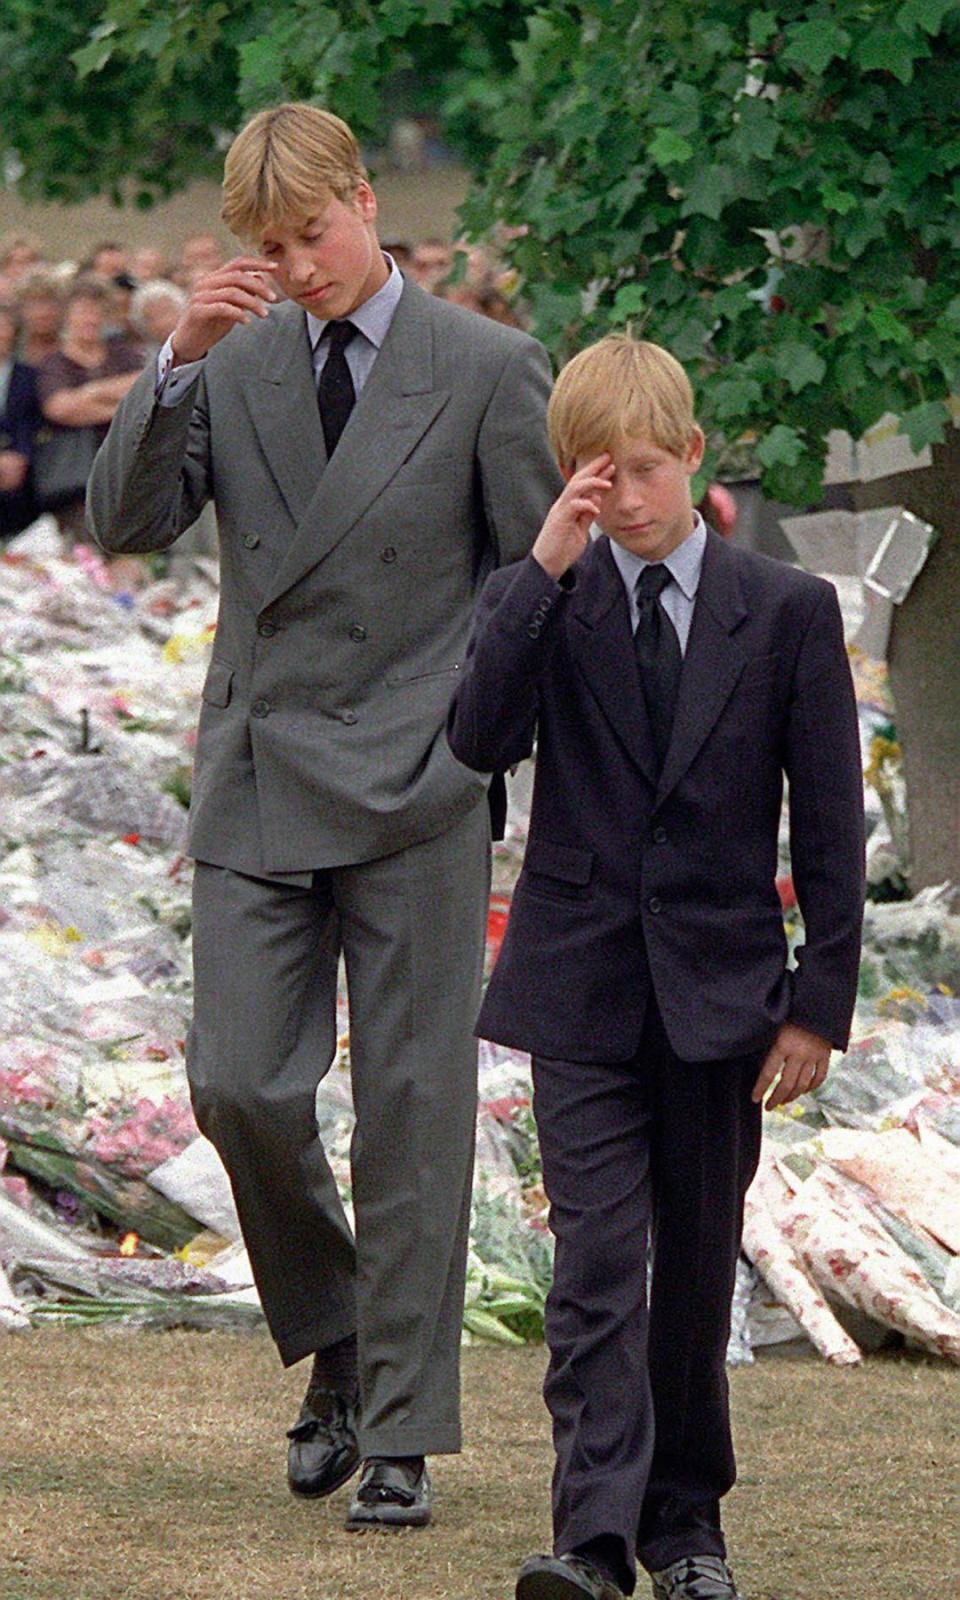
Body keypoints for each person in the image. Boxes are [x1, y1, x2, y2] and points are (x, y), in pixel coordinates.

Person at [87, 101, 561, 1531]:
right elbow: (123, 523)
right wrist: (173, 360)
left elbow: (539, 595)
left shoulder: (485, 365)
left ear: (368, 198)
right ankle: (342, 1337)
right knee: (238, 1082)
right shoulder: (226, 371)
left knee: (415, 1112)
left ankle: (404, 1426)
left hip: (422, 784)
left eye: (314, 234)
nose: (297, 267)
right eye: (270, 247)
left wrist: (520, 769)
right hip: (258, 769)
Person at [447, 335, 865, 1600]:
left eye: (640, 470)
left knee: (690, 1269)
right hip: (576, 983)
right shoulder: (551, 595)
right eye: (592, 477)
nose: (622, 498)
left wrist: (820, 1004)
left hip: (723, 993)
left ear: (691, 456)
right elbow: (478, 738)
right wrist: (541, 566)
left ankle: (689, 1530)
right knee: (589, 1266)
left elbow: (832, 821)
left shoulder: (785, 610)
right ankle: (589, 1537)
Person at [36, 278, 142, 540]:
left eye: (96, 312)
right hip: (76, 480)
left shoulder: (122, 354)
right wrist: (121, 404)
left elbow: (145, 388)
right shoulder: (55, 363)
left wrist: (90, 392)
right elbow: (60, 408)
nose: (90, 319)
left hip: (126, 469)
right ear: (67, 317)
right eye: (83, 311)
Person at [0, 302, 41, 538]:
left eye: (5, 327)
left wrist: (21, 456)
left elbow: (32, 422)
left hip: (21, 473)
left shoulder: (28, 376)